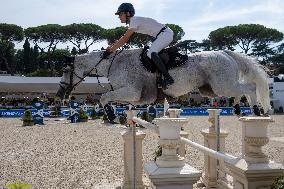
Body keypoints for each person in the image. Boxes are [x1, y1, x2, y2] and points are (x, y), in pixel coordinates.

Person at [103, 2, 175, 88]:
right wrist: (112, 47)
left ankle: (168, 78)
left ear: (128, 13)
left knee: (151, 52)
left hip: (165, 34)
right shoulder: (133, 22)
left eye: (120, 14)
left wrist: (111, 50)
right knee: (150, 52)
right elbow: (124, 38)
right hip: (162, 34)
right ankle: (160, 77)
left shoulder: (134, 21)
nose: (119, 16)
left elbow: (125, 39)